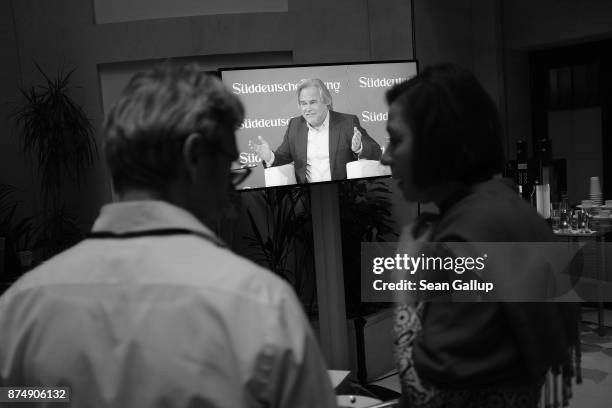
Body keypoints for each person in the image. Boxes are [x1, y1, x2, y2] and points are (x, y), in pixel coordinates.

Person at [0, 64, 336, 408]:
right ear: (194, 157)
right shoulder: (261, 306)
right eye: (229, 168)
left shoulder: (21, 306)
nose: (230, 192)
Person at [381, 63, 580, 408]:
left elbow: (426, 396)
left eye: (396, 140)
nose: (385, 157)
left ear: (437, 144)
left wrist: (403, 283)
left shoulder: (464, 239)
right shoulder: (508, 204)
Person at [253, 78, 381, 183]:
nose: (307, 108)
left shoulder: (347, 122)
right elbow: (283, 157)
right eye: (303, 103)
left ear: (327, 101)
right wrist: (269, 156)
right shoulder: (295, 125)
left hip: (343, 193)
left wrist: (359, 148)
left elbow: (375, 150)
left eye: (312, 102)